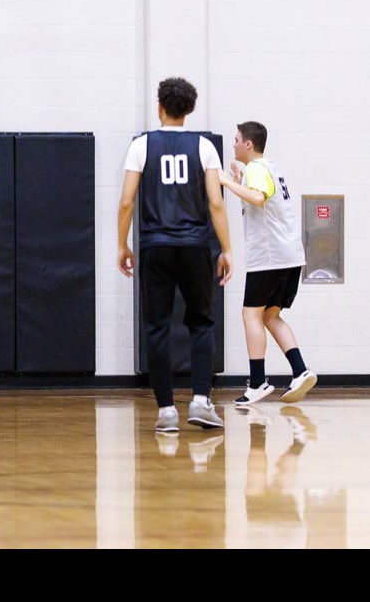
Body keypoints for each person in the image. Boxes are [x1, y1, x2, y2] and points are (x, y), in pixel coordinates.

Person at [118, 77, 232, 433]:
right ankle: (200, 400)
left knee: (157, 327)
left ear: (160, 107)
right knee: (202, 322)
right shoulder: (204, 147)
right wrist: (227, 248)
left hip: (155, 246)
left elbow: (126, 202)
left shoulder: (141, 145)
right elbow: (216, 202)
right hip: (195, 245)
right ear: (189, 109)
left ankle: (167, 410)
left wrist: (122, 244)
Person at [220, 121, 316, 404]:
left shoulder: (257, 168)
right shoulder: (268, 168)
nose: (234, 144)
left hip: (270, 258)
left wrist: (227, 183)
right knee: (270, 316)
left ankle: (258, 382)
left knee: (250, 314)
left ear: (248, 144)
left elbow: (259, 198)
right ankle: (300, 370)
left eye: (237, 139)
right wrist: (239, 182)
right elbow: (260, 201)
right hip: (290, 256)